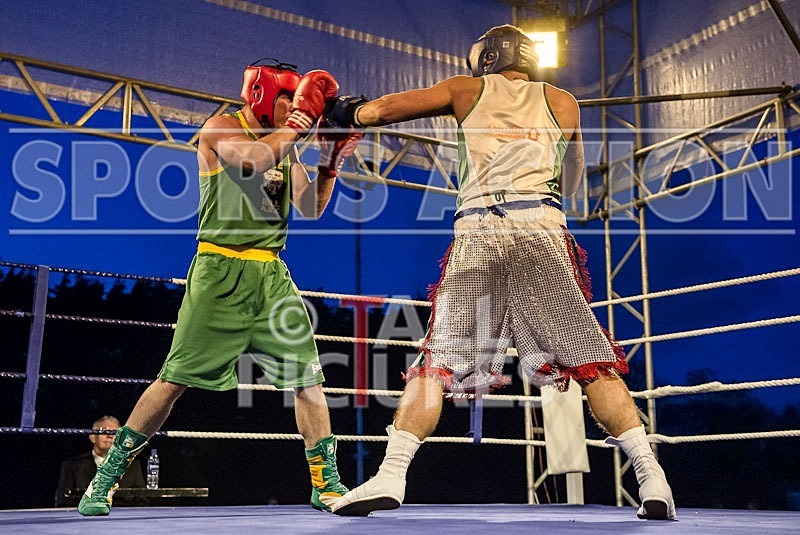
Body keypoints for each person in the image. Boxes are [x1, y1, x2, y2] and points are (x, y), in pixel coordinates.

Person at [322, 25, 676, 520]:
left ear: (485, 59)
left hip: (481, 231)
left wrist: (342, 113)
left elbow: (384, 111)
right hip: (544, 232)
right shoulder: (564, 101)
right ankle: (652, 478)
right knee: (590, 359)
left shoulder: (467, 89)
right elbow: (572, 178)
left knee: (436, 362)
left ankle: (391, 475)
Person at [78, 59, 361, 516]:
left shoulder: (283, 147)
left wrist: (329, 162)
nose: (297, 108)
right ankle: (105, 478)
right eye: (291, 98)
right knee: (173, 379)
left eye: (299, 101)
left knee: (308, 379)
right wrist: (299, 124)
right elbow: (252, 161)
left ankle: (325, 484)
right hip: (218, 271)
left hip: (271, 275)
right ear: (262, 94)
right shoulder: (220, 128)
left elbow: (311, 207)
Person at [56, 415, 144, 506]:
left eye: (115, 432)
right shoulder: (73, 466)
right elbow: (63, 501)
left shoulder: (132, 465)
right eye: (104, 431)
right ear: (92, 437)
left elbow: (142, 500)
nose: (110, 435)